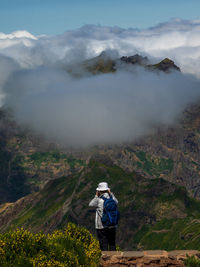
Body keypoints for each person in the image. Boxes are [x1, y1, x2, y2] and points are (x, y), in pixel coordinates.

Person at [89, 182, 118, 251]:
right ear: (107, 190)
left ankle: (105, 260)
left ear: (99, 191)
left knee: (103, 244)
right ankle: (114, 259)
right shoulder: (112, 199)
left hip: (101, 226)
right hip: (112, 225)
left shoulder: (99, 200)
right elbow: (117, 202)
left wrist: (96, 195)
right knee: (112, 243)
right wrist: (111, 193)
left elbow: (90, 204)